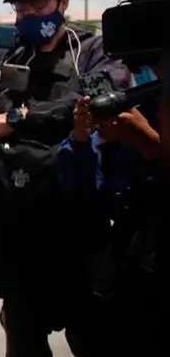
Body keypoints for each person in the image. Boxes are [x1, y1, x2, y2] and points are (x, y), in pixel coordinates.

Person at [0, 0, 131, 357]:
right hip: (19, 228)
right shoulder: (11, 55)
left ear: (62, 4)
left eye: (38, 2)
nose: (28, 12)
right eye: (21, 5)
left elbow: (101, 96)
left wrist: (19, 119)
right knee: (23, 338)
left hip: (78, 224)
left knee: (93, 337)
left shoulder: (91, 50)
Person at [54, 63, 162, 356]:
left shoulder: (147, 124)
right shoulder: (101, 140)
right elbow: (78, 187)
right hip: (103, 270)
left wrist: (144, 139)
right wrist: (80, 137)